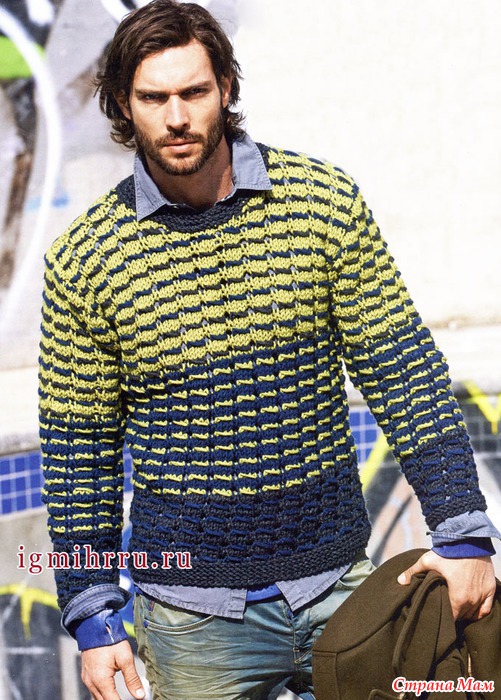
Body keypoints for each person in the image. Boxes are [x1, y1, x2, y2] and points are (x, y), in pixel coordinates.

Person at [38, 2, 499, 699]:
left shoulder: (322, 205)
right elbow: (79, 453)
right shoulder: (86, 259)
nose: (176, 117)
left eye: (194, 91)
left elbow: (403, 372)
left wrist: (462, 532)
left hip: (346, 593)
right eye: (153, 98)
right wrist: (93, 611)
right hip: (191, 621)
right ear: (123, 105)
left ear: (225, 86)